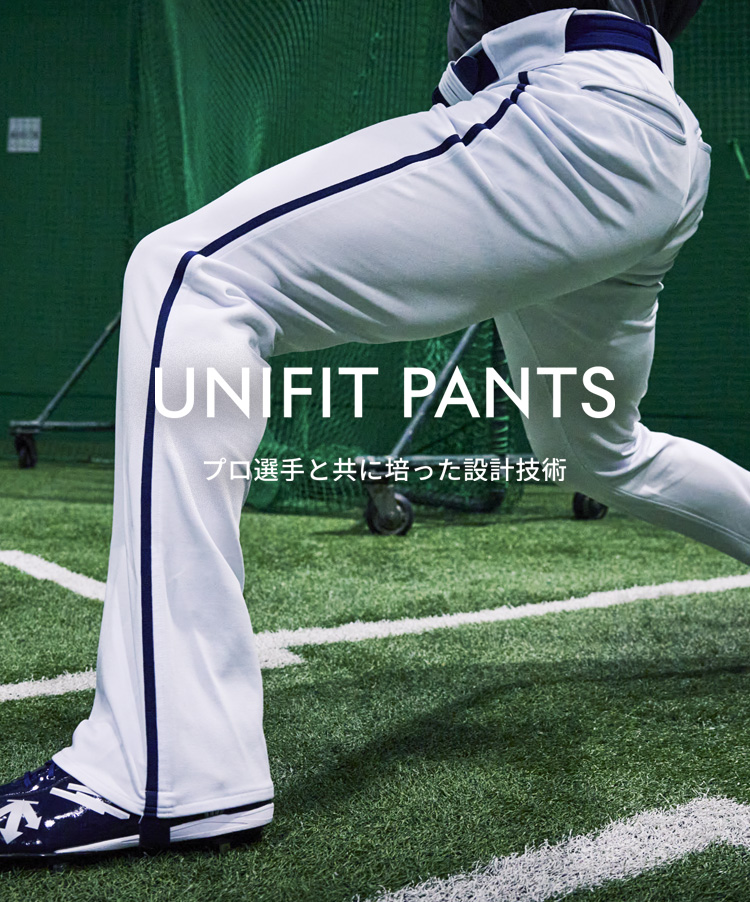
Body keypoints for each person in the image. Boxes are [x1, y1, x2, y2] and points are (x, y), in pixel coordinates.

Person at [2, 0, 739, 860]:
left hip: (564, 113)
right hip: (648, 136)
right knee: (595, 452)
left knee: (192, 278)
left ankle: (167, 772)